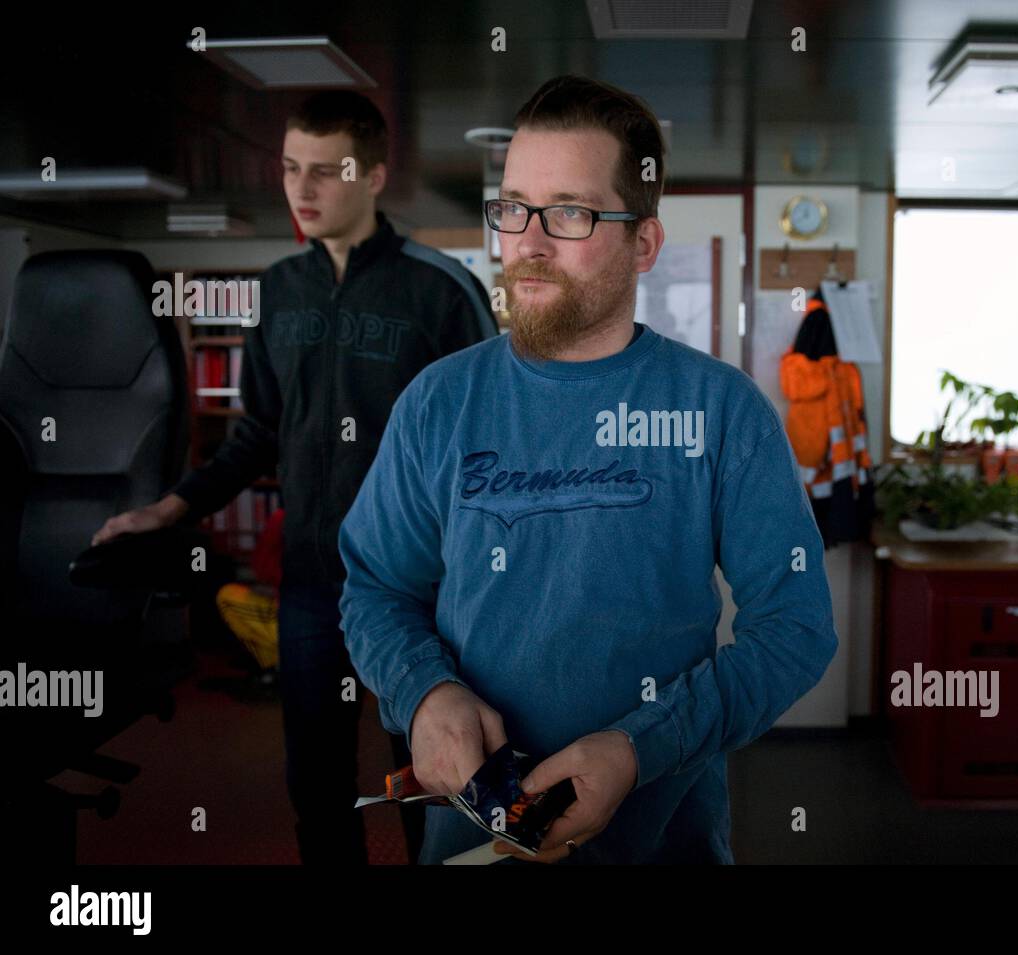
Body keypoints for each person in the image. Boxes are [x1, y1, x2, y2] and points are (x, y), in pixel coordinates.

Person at [338, 74, 837, 865]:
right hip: (475, 836)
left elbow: (798, 628)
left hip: (663, 835)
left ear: (643, 241)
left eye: (569, 212)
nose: (528, 242)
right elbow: (376, 586)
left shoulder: (722, 412)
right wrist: (425, 692)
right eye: (512, 208)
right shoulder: (438, 403)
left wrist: (641, 746)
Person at [91, 90, 498, 864]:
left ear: (375, 175)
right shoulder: (278, 291)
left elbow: (497, 440)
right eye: (289, 169)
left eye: (326, 170)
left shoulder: (440, 289)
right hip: (314, 582)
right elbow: (258, 434)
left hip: (429, 588)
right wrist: (171, 508)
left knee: (431, 779)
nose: (302, 190)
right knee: (314, 781)